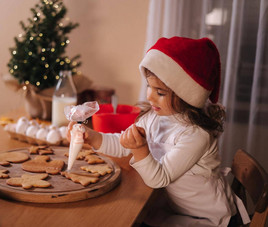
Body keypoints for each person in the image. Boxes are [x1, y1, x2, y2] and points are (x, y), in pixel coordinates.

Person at [67, 37, 248, 226]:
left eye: (160, 92)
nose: (150, 96)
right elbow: (124, 143)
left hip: (207, 218)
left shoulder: (195, 135)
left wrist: (140, 150)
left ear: (186, 96)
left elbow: (159, 178)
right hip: (175, 209)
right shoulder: (153, 117)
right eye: (149, 86)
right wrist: (93, 137)